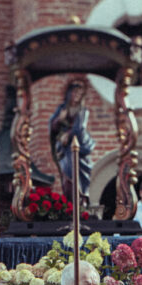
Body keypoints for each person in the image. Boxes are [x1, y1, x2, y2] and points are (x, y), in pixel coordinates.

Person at [48, 77, 94, 205]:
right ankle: (70, 201)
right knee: (67, 172)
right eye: (74, 92)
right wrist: (59, 120)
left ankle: (82, 198)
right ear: (69, 93)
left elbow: (80, 128)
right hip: (65, 149)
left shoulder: (83, 111)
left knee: (82, 173)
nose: (76, 96)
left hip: (80, 147)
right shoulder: (62, 108)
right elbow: (52, 126)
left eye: (79, 93)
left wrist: (68, 134)